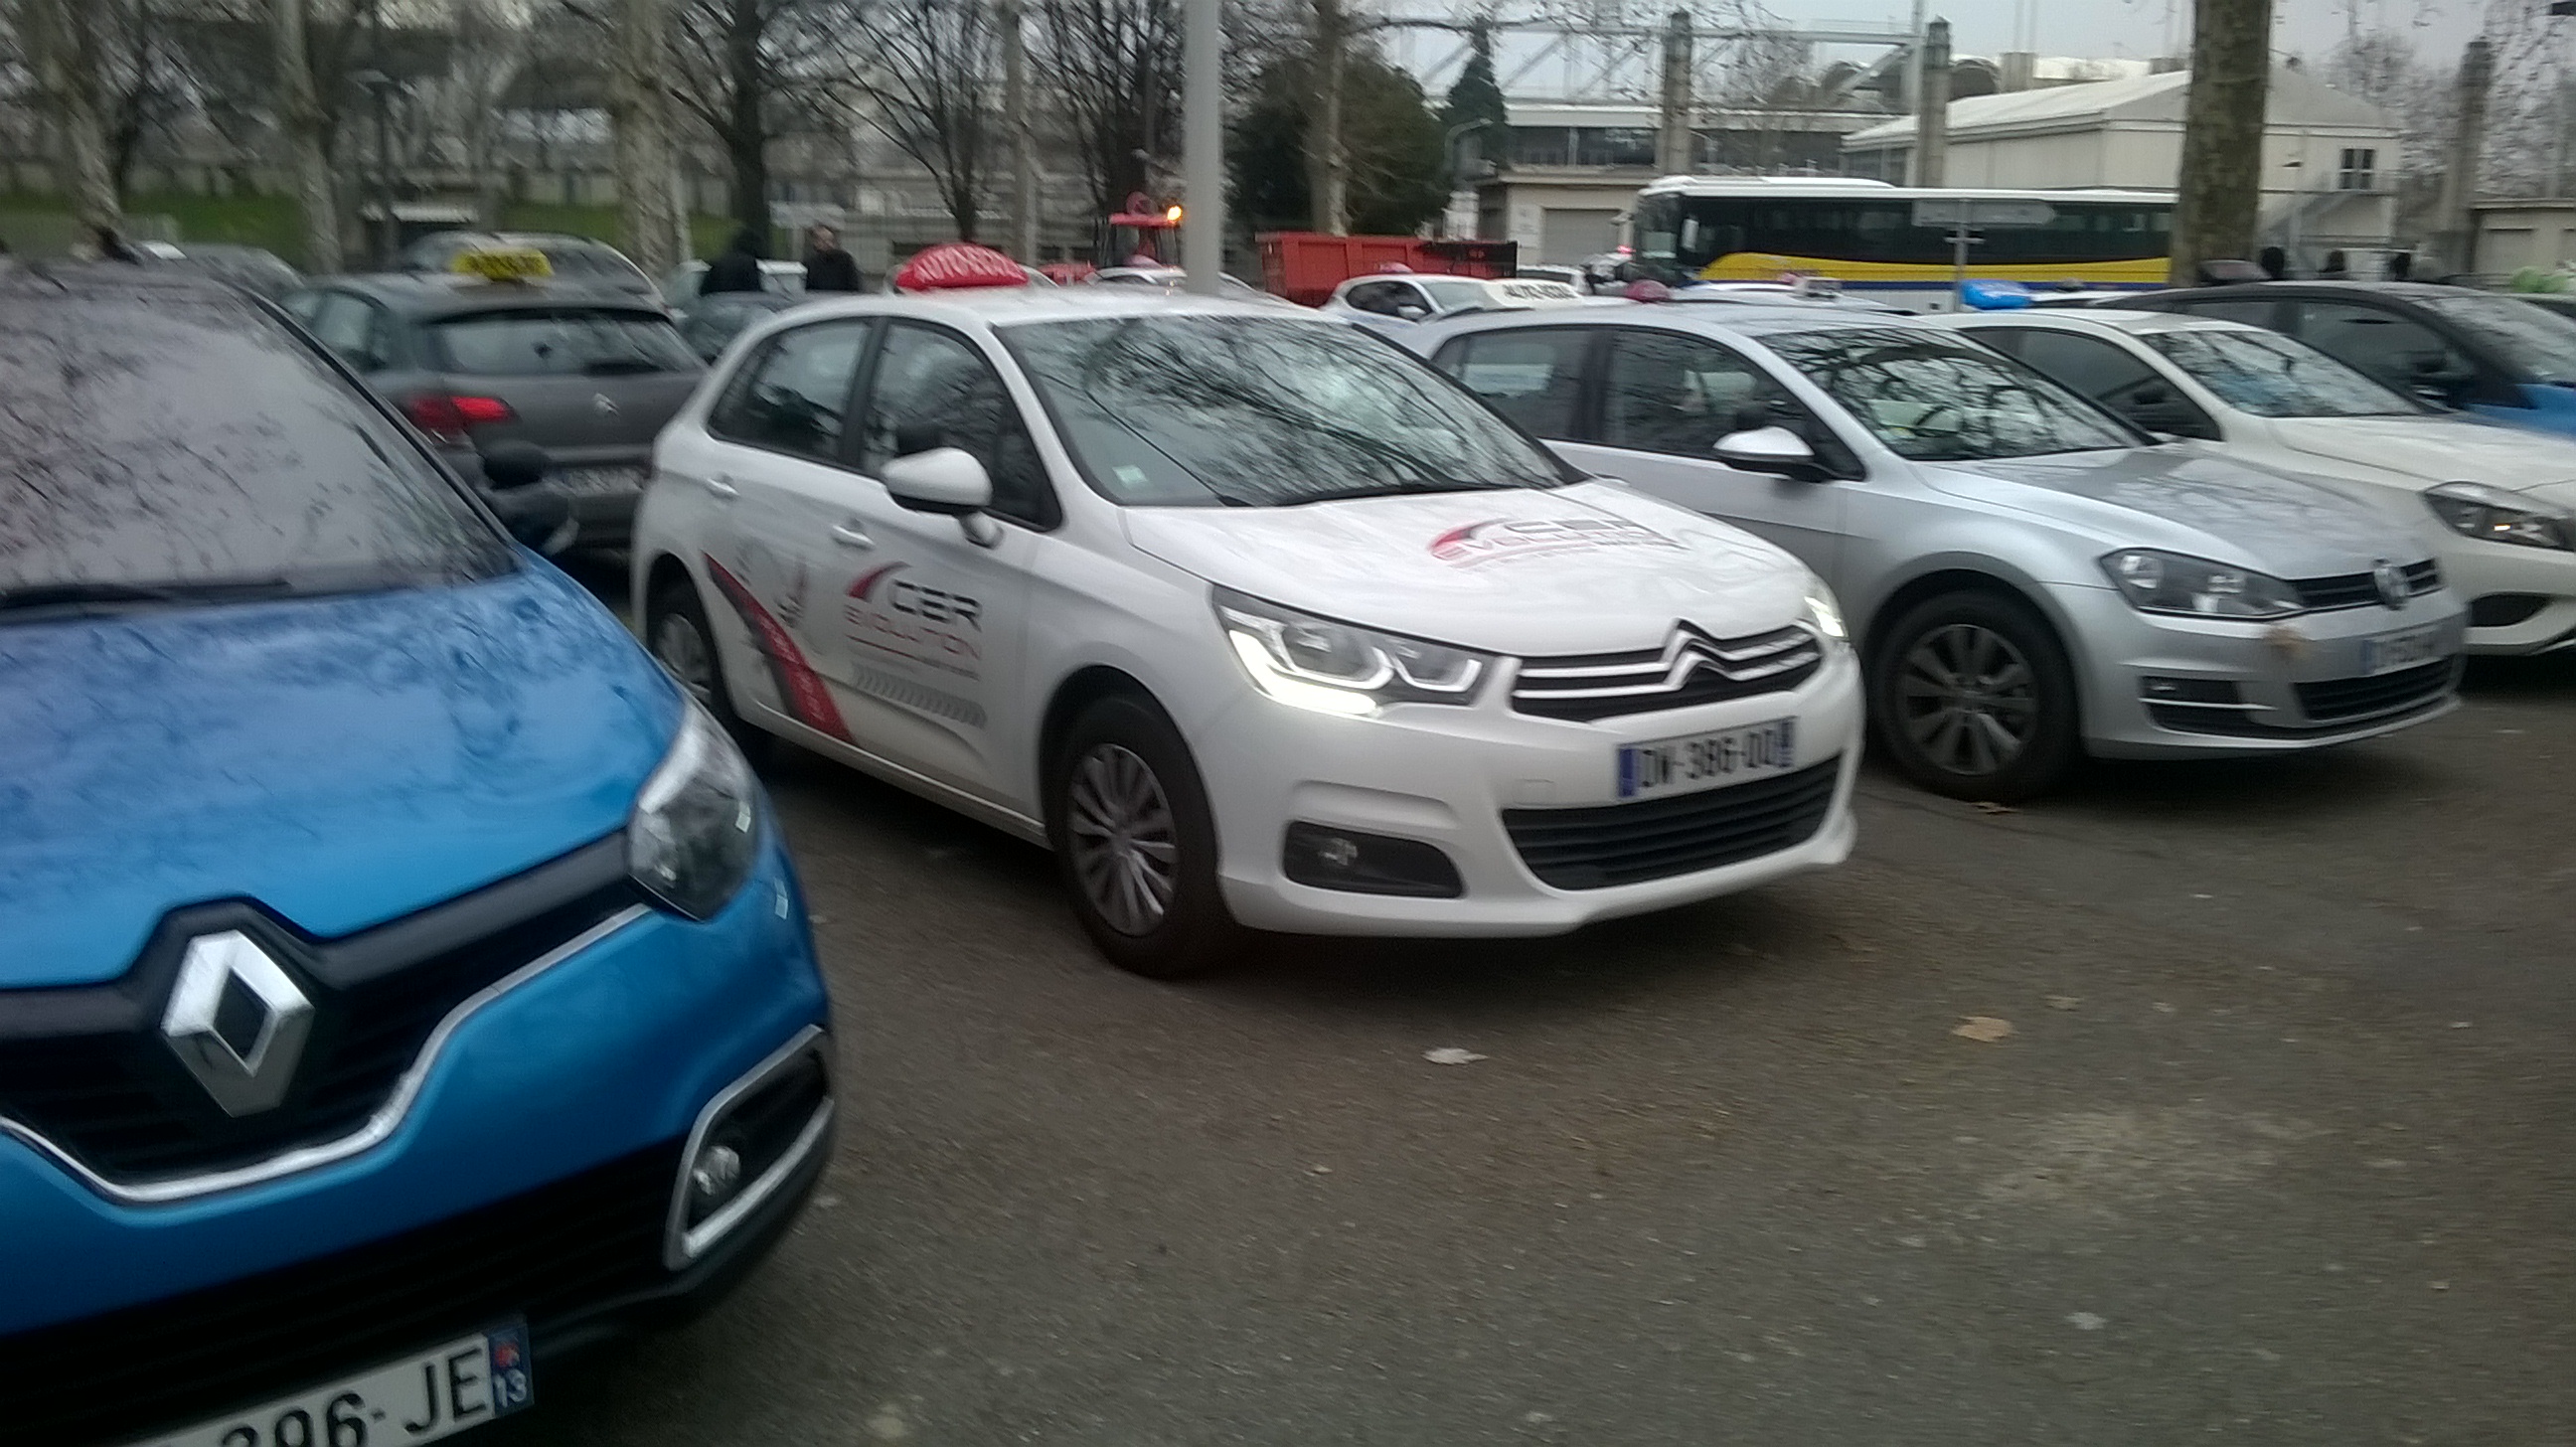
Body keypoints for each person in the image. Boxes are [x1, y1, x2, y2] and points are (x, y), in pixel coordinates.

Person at [699, 227, 765, 296]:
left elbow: (704, 291)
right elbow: (754, 289)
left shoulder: (720, 262)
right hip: (741, 300)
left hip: (718, 300)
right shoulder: (749, 263)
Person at [802, 225, 862, 292]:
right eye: (823, 241)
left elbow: (854, 286)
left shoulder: (845, 260)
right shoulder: (809, 264)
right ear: (815, 242)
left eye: (831, 240)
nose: (829, 244)